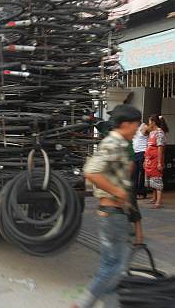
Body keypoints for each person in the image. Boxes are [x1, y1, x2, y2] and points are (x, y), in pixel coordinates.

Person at [71, 104, 142, 308]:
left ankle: (107, 304)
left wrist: (125, 171)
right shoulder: (114, 142)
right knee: (115, 267)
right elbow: (91, 172)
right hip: (112, 213)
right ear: (126, 124)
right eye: (135, 127)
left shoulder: (117, 143)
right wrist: (118, 192)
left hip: (112, 213)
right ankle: (83, 303)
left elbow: (109, 170)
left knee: (112, 265)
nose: (136, 131)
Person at [144, 115, 169, 209]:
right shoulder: (152, 133)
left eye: (149, 121)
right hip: (149, 159)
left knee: (157, 179)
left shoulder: (159, 133)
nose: (148, 123)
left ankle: (158, 201)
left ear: (153, 122)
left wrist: (159, 162)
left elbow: (160, 148)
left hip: (156, 160)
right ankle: (154, 198)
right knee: (151, 180)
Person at [132, 123, 149, 199]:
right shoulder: (132, 128)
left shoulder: (143, 126)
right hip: (134, 153)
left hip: (142, 153)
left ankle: (142, 192)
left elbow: (149, 129)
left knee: (142, 173)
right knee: (134, 174)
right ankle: (134, 193)